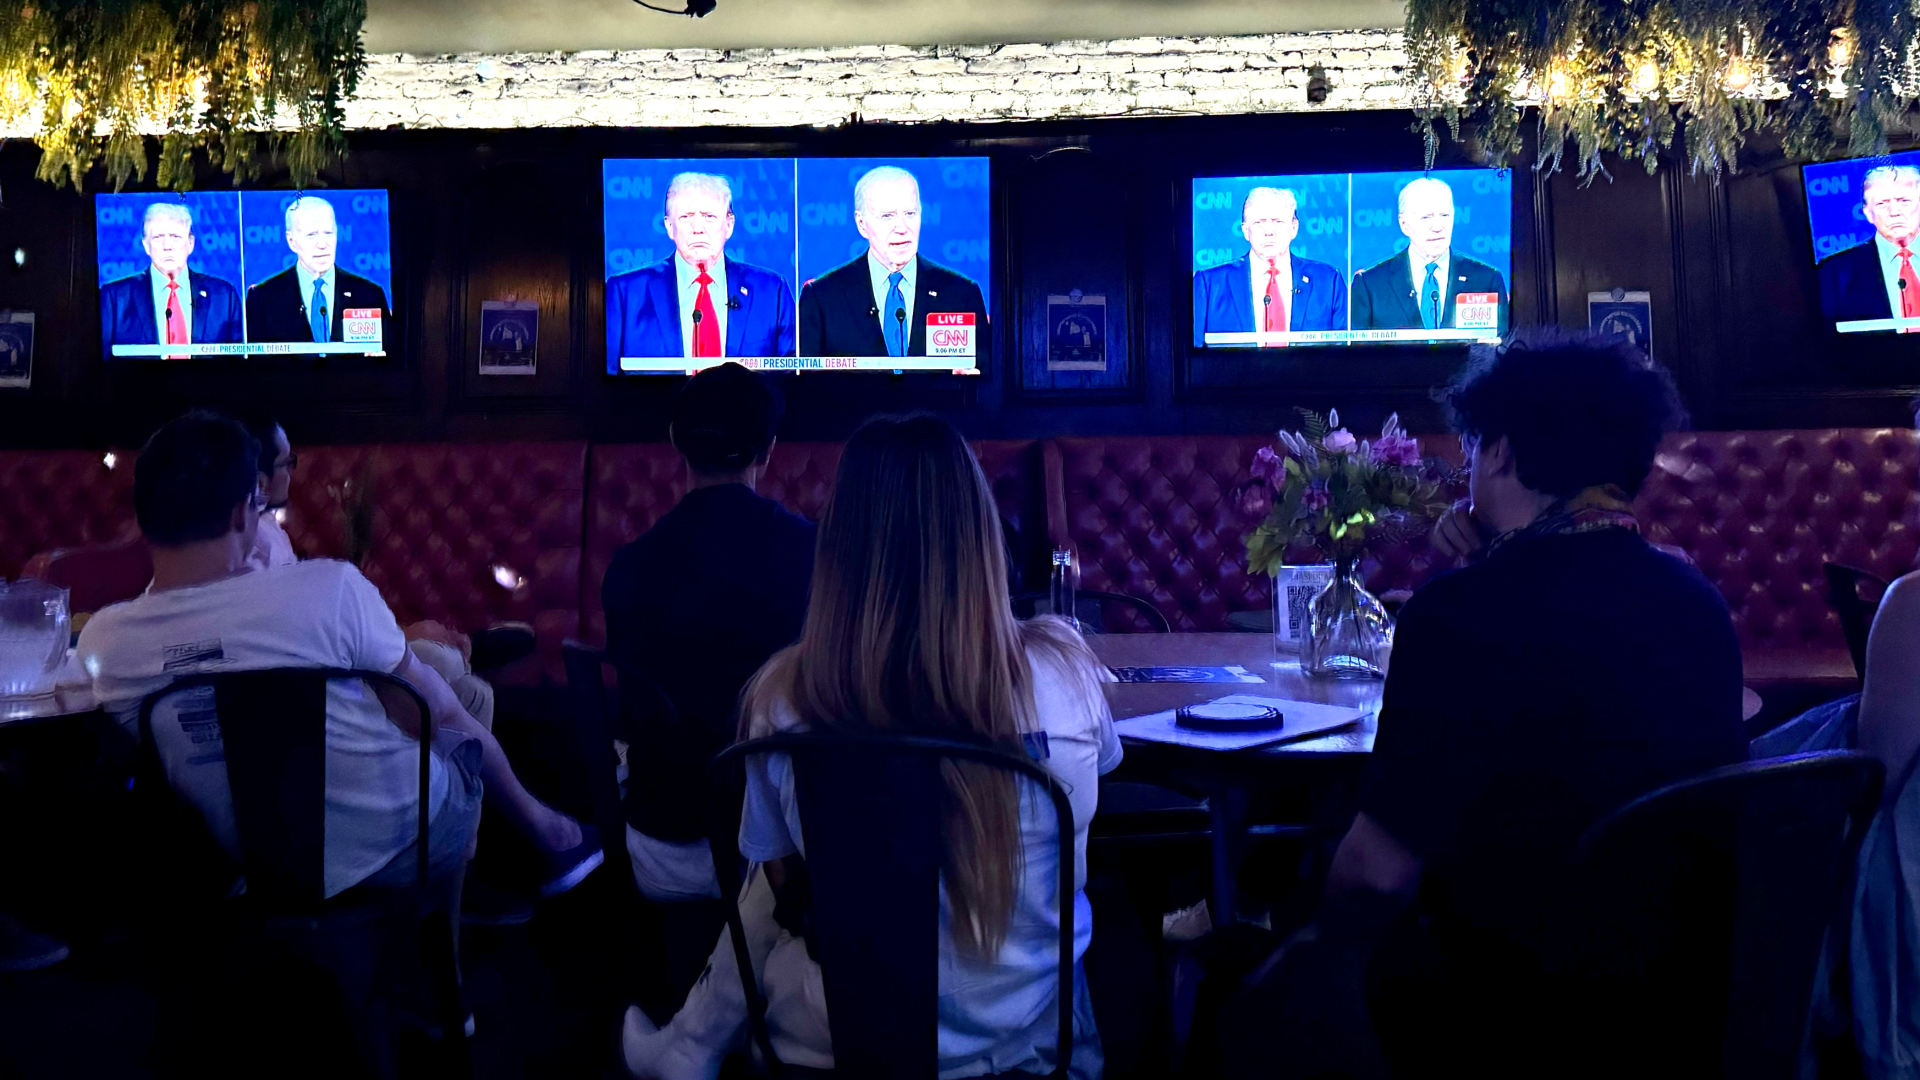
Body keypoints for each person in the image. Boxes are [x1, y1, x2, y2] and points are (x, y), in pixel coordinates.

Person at [1223, 331, 1746, 1078]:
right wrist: (1484, 558)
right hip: (1677, 1014)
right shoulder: (1699, 605)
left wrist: (1300, 925)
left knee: (1238, 976)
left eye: (1472, 447)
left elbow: (1375, 876)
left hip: (1497, 1014)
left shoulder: (1460, 615)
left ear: (1499, 452)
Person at [622, 414, 1119, 1080]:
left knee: (785, 883)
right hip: (1039, 1041)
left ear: (839, 546)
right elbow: (1100, 794)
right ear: (981, 532)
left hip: (843, 1043)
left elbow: (780, 883)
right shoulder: (1068, 671)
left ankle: (691, 1044)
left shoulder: (782, 697)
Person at [75, 413, 600, 901]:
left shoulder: (106, 643)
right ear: (241, 511)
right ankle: (548, 841)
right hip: (401, 846)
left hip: (247, 869)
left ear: (143, 516)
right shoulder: (329, 589)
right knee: (453, 716)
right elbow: (431, 715)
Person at [601, 363, 815, 904]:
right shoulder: (814, 556)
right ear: (768, 451)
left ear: (675, 440)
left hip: (656, 848)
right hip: (777, 856)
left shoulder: (628, 565)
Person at [237, 414, 507, 734]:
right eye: (287, 462)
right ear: (261, 480)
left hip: (333, 653)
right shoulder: (257, 543)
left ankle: (465, 653)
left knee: (471, 690)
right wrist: (406, 635)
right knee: (447, 662)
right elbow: (303, 636)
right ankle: (470, 650)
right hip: (324, 672)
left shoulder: (267, 528)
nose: (292, 471)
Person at [606, 173, 798, 369]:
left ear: (729, 225)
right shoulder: (625, 294)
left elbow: (792, 376)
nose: (698, 228)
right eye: (686, 217)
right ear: (669, 226)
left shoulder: (772, 291)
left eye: (709, 217)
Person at [798, 166, 989, 358]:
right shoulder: (822, 298)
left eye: (910, 213)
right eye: (887, 216)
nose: (902, 228)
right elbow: (807, 375)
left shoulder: (962, 294)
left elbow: (986, 370)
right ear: (862, 224)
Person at [1192, 186, 1348, 346]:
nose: (1268, 231)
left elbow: (1344, 350)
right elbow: (1192, 351)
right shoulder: (1209, 284)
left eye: (1278, 222)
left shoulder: (1329, 281)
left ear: (1294, 228)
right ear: (1245, 230)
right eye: (1259, 223)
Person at [1350, 177, 1508, 334]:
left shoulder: (1487, 280)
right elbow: (1359, 349)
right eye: (1426, 217)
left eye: (1444, 215)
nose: (1438, 227)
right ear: (1404, 225)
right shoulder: (1370, 285)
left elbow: (1503, 344)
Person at [245, 196, 392, 345]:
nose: (322, 244)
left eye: (328, 233)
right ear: (291, 241)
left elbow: (389, 353)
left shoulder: (370, 294)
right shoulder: (262, 298)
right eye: (311, 235)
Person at [99, 202, 243, 352]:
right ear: (146, 245)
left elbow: (237, 361)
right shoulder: (115, 298)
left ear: (190, 243)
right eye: (158, 238)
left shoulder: (224, 296)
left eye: (175, 237)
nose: (167, 246)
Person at [1816, 164, 1920, 326]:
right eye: (1882, 204)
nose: (1894, 212)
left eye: (1904, 201)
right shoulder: (1835, 272)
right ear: (1867, 213)